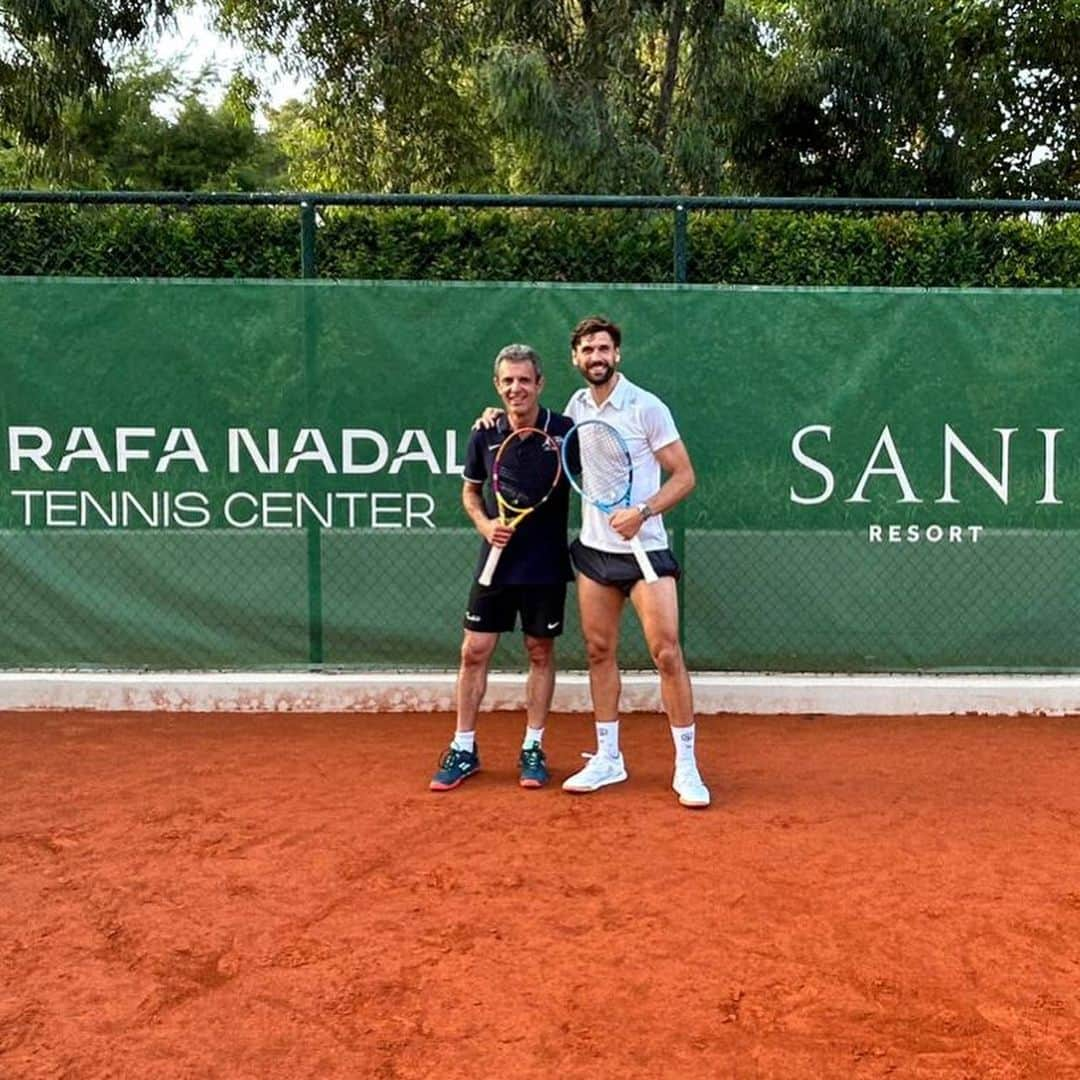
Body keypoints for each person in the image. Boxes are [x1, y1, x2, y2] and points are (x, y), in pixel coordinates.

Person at [560, 315, 709, 808]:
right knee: (599, 651)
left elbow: (684, 476)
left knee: (666, 652)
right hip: (596, 552)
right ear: (576, 359)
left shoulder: (647, 407)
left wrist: (643, 510)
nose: (596, 357)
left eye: (604, 349)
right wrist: (492, 418)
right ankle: (608, 758)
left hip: (646, 551)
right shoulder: (576, 407)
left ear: (616, 354)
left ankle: (686, 766)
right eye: (587, 350)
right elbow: (540, 435)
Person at [430, 343, 574, 792]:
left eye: (524, 380)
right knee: (473, 650)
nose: (517, 388)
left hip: (545, 564)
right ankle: (463, 747)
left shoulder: (565, 431)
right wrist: (485, 523)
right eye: (508, 381)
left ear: (539, 384)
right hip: (494, 563)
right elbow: (470, 493)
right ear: (498, 385)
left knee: (540, 651)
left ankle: (533, 746)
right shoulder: (485, 432)